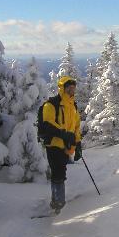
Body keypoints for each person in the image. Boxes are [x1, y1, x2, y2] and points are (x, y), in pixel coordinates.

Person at [43, 76, 82, 213]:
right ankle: (59, 203)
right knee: (58, 172)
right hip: (54, 144)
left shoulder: (73, 106)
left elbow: (76, 126)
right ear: (62, 88)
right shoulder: (52, 104)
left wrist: (78, 143)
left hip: (66, 146)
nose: (72, 90)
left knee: (60, 172)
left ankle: (56, 202)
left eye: (73, 88)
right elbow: (48, 123)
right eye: (69, 88)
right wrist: (64, 134)